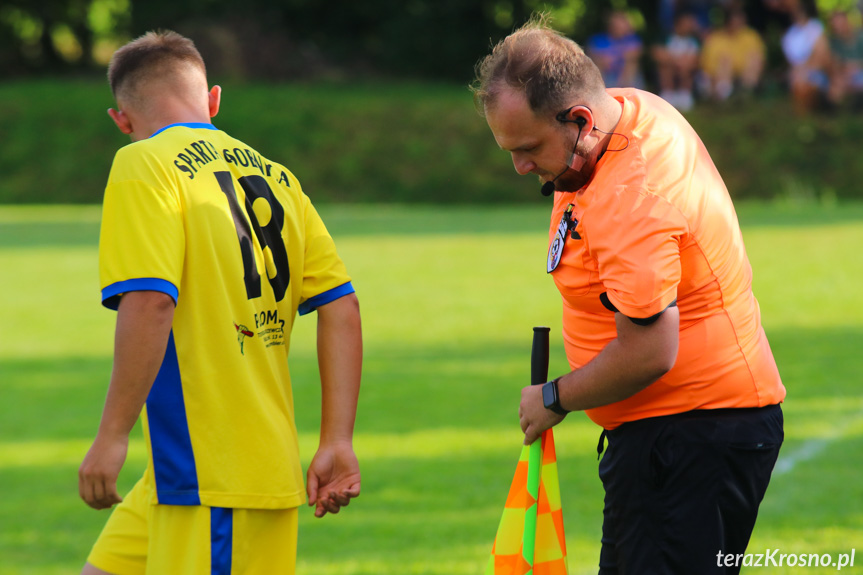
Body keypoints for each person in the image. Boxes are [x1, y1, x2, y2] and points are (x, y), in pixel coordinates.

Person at [472, 15, 785, 574]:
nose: (520, 167)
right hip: (677, 434)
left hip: (693, 437)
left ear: (580, 120)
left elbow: (649, 351)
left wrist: (554, 397)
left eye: (529, 147)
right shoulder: (622, 114)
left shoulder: (633, 196)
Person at [77, 30, 362, 575]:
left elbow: (151, 302)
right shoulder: (278, 177)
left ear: (122, 120)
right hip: (180, 474)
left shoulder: (143, 163)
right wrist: (337, 439)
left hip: (217, 480)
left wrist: (112, 436)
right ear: (213, 101)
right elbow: (340, 305)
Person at [700, 6, 767, 101]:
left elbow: (760, 58)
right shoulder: (716, 38)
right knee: (725, 62)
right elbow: (707, 64)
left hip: (744, 74)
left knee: (754, 58)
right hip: (721, 76)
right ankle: (723, 94)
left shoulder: (751, 36)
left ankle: (746, 92)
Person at [780, 0, 830, 114]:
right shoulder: (790, 34)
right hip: (799, 72)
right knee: (798, 81)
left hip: (817, 70)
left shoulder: (816, 28)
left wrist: (807, 68)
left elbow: (822, 55)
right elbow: (791, 61)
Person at [652, 10, 703, 111]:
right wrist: (677, 61)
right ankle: (667, 94)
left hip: (687, 71)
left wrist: (681, 62)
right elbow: (657, 54)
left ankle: (685, 95)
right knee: (665, 67)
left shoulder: (694, 40)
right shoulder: (666, 37)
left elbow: (697, 59)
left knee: (688, 68)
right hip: (669, 68)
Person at [586, 10, 645, 89]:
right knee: (598, 65)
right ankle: (601, 91)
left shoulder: (632, 40)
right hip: (606, 74)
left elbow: (634, 55)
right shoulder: (598, 40)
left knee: (631, 64)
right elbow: (593, 58)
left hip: (626, 76)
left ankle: (624, 92)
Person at [824, 9, 863, 109]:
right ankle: (841, 111)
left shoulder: (860, 37)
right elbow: (834, 63)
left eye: (840, 23)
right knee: (836, 85)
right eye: (835, 25)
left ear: (847, 22)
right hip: (844, 76)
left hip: (859, 72)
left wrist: (855, 65)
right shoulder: (834, 43)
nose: (839, 27)